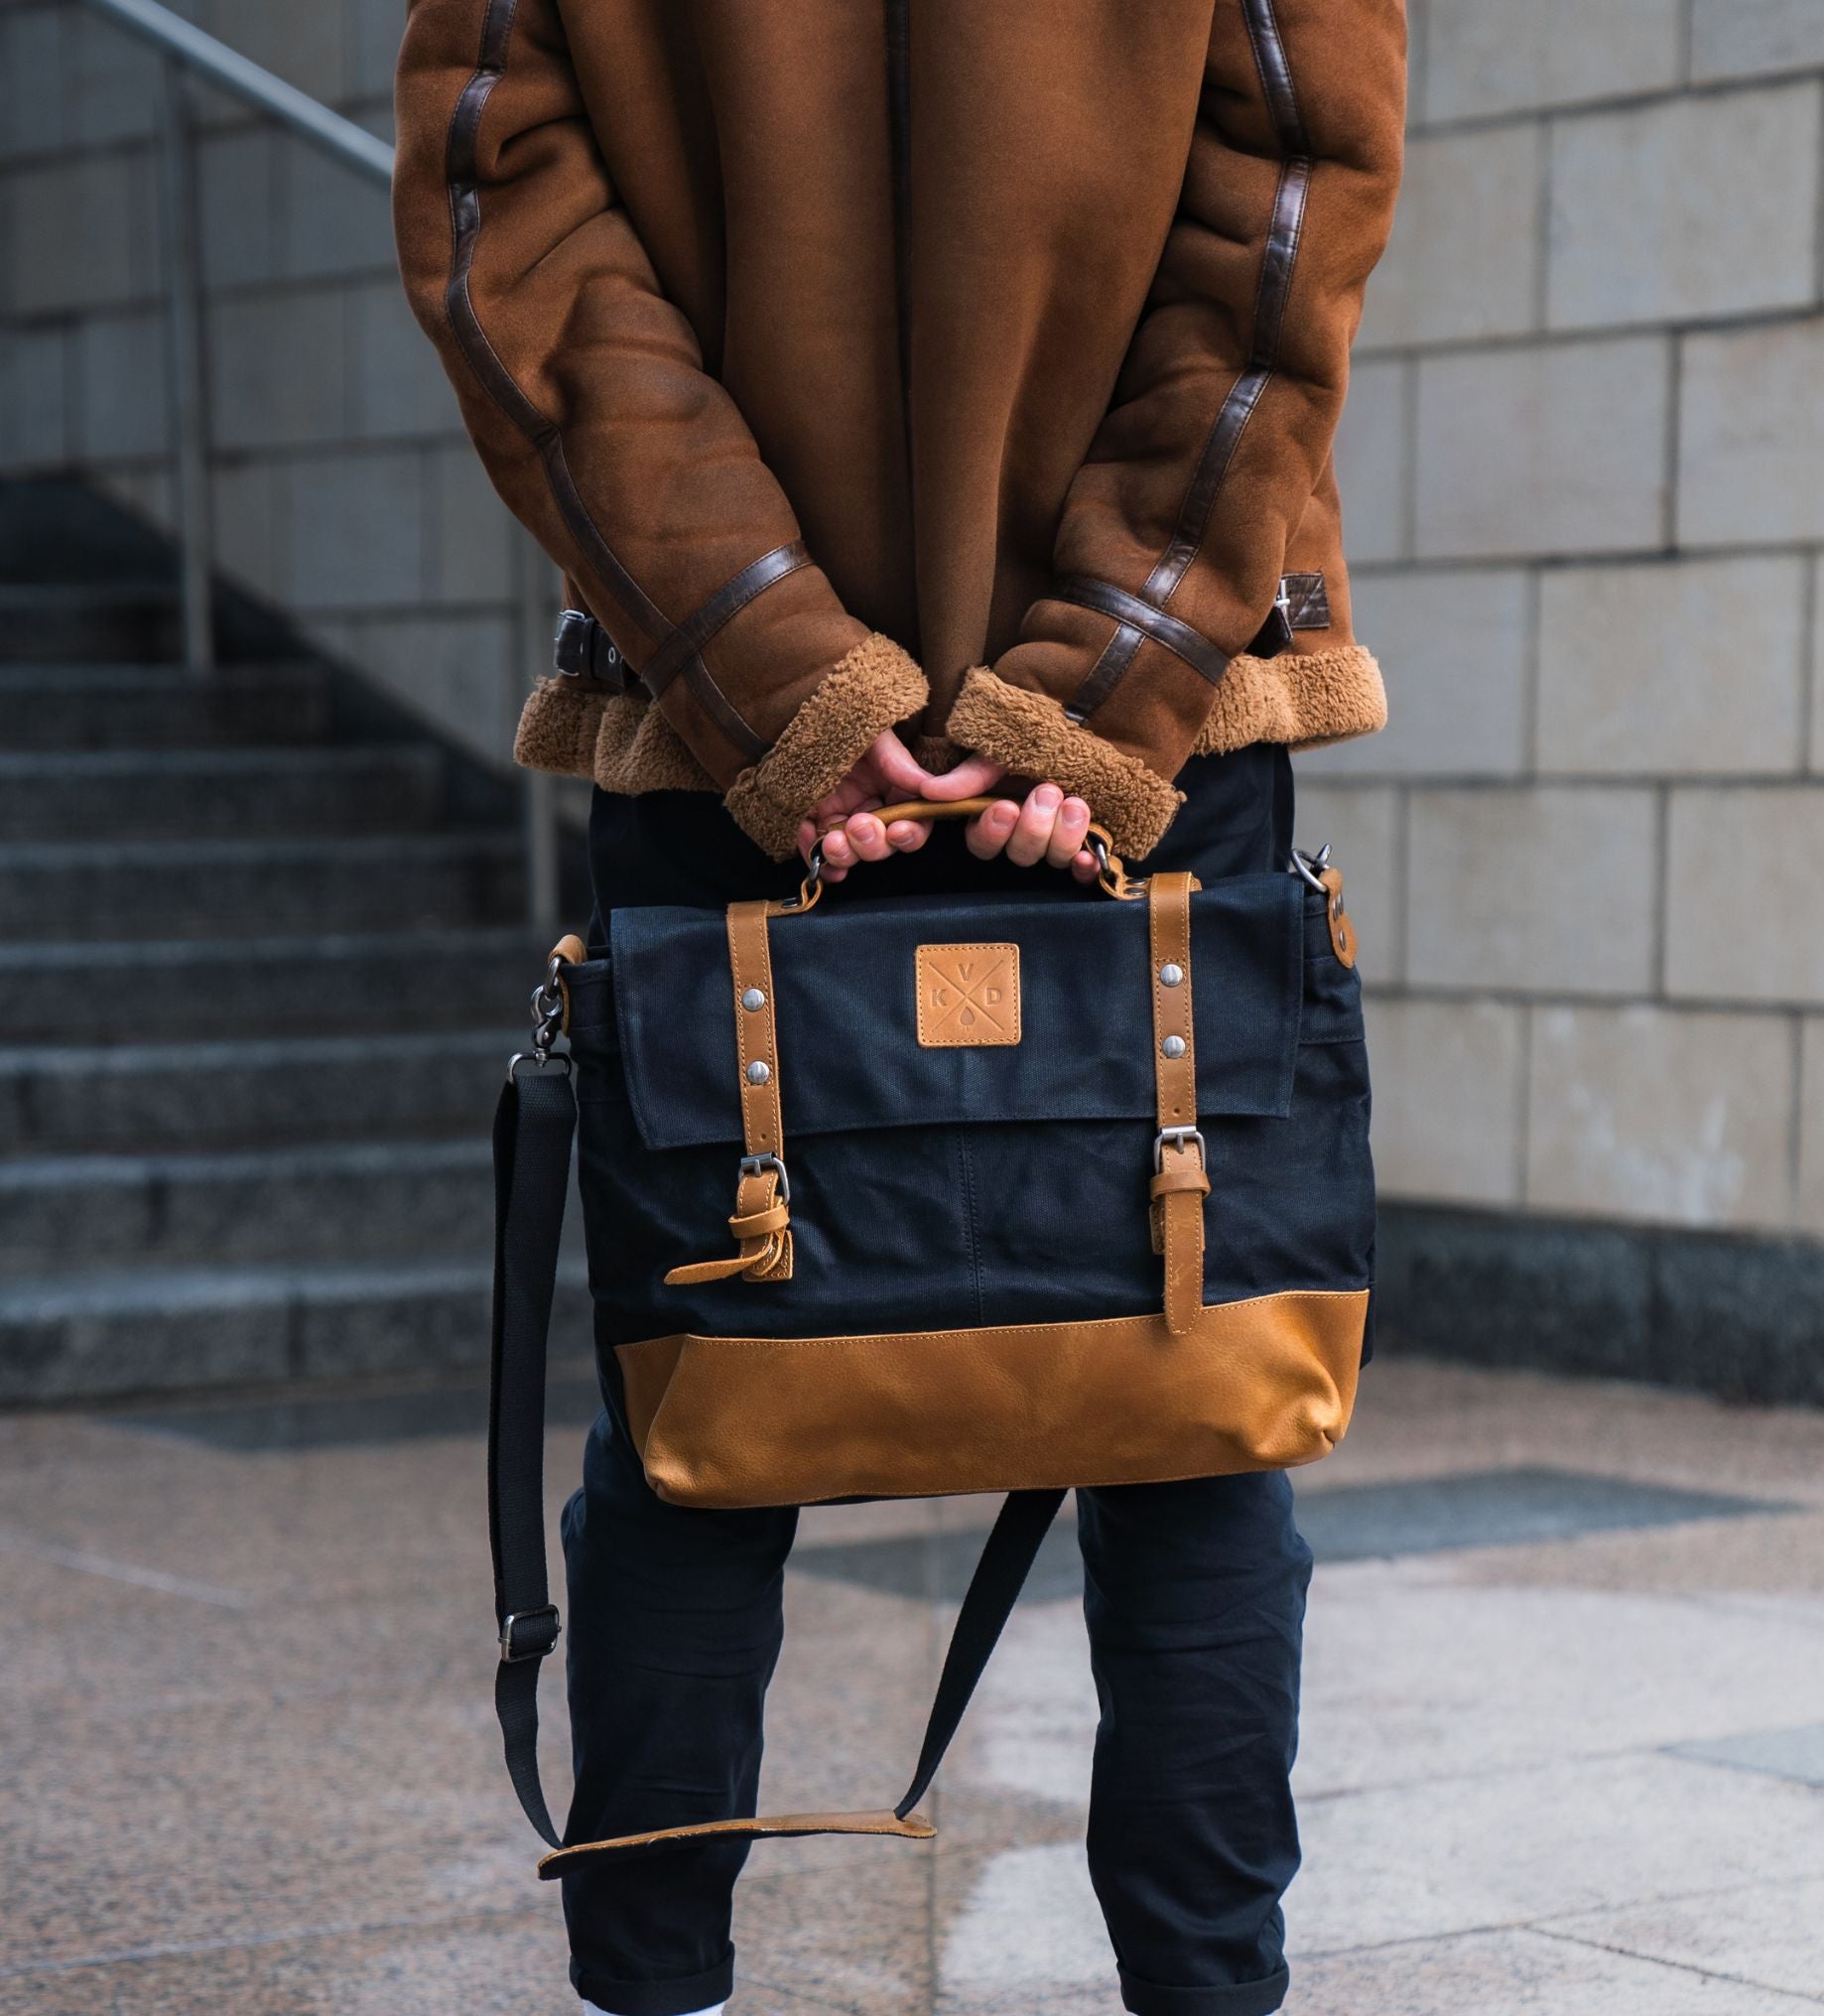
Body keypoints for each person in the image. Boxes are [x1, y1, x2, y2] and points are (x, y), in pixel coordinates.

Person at [393, 3, 1406, 2010]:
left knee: (701, 1409)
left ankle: (656, 1990)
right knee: (1185, 1390)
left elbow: (501, 201)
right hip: (1168, 675)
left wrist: (772, 663)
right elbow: (1288, 189)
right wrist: (1106, 670)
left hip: (719, 712)